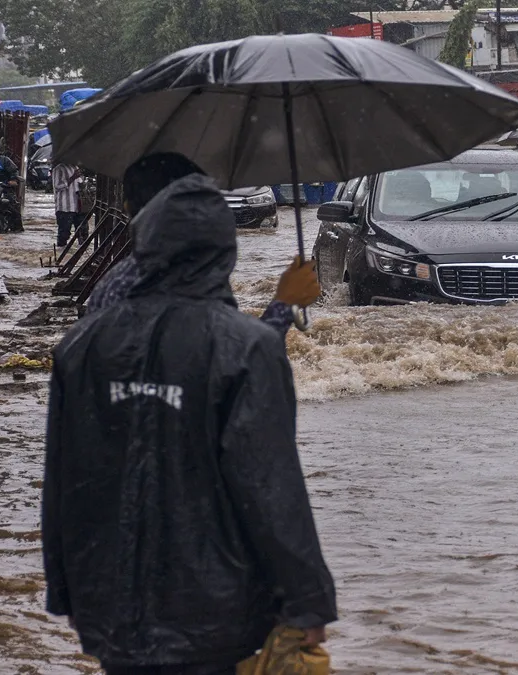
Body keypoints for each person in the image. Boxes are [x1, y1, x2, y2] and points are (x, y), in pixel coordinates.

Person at [43, 165, 337, 675]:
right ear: (226, 249)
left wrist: (66, 590)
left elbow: (64, 478)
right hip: (215, 604)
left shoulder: (82, 344)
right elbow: (269, 484)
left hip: (107, 599)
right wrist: (308, 600)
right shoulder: (246, 348)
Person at [85, 153, 320, 335]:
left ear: (127, 209)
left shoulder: (109, 287)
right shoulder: (196, 280)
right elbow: (239, 365)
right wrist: (284, 305)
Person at [52, 163, 80, 247]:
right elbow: (57, 186)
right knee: (64, 235)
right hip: (64, 207)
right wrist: (72, 178)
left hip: (77, 207)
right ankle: (61, 254)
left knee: (82, 233)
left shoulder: (75, 167)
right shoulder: (59, 169)